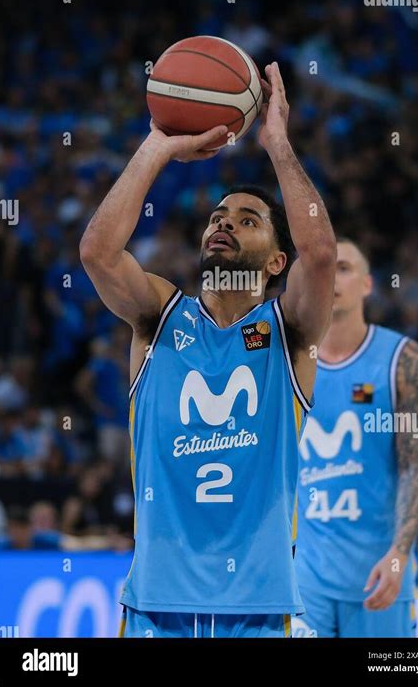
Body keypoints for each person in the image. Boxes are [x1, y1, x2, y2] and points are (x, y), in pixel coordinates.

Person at [80, 62, 336, 638]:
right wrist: (156, 146)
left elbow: (319, 256)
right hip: (154, 608)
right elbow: (97, 253)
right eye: (219, 217)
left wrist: (277, 144)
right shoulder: (158, 317)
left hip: (261, 610)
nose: (224, 224)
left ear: (275, 263)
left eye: (247, 221)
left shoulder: (289, 331)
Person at [292, 238, 418, 638]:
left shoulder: (402, 360)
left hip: (379, 569)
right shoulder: (288, 359)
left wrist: (398, 555)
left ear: (368, 285)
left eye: (345, 268)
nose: (332, 277)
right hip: (306, 576)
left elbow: (414, 467)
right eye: (324, 268)